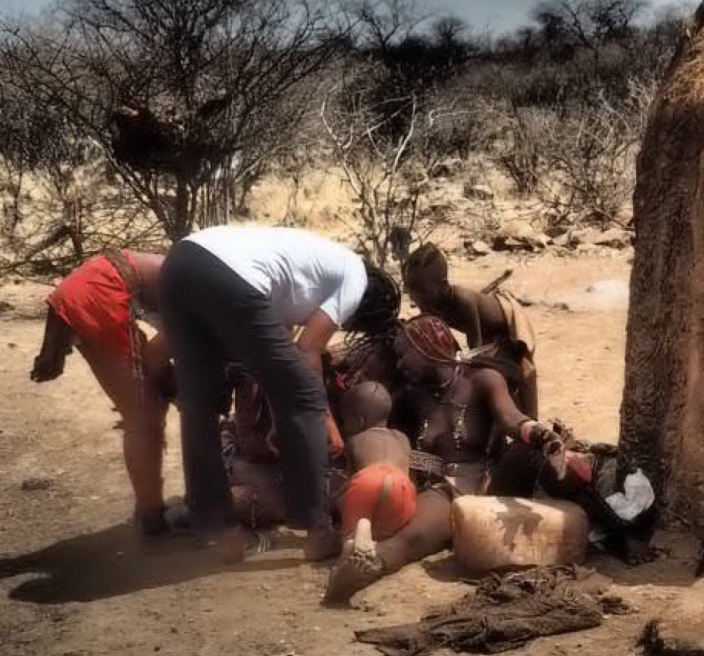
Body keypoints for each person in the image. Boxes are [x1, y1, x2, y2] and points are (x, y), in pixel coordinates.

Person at [323, 314, 625, 604]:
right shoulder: (412, 397)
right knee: (396, 523)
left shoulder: (481, 379)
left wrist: (540, 436)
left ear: (424, 347)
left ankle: (364, 568)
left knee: (415, 535)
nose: (400, 364)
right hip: (430, 485)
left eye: (404, 355)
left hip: (478, 481)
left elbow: (511, 418)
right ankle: (360, 558)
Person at [158, 224, 400, 563]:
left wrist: (280, 421)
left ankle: (223, 533)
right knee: (306, 394)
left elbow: (272, 360)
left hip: (178, 265)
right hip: (227, 275)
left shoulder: (310, 269)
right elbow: (308, 348)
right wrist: (325, 418)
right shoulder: (355, 278)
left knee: (199, 408)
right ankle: (318, 532)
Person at [30, 249, 172, 535]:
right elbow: (155, 357)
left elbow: (70, 288)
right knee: (144, 416)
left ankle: (149, 508)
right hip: (101, 297)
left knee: (143, 406)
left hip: (85, 293)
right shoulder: (204, 297)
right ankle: (152, 517)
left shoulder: (192, 273)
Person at [402, 243, 539, 417]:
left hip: (507, 325)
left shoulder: (463, 301)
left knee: (522, 372)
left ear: (443, 285)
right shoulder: (429, 304)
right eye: (410, 289)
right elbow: (446, 344)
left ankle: (533, 424)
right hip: (486, 337)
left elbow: (477, 348)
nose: (414, 296)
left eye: (421, 290)